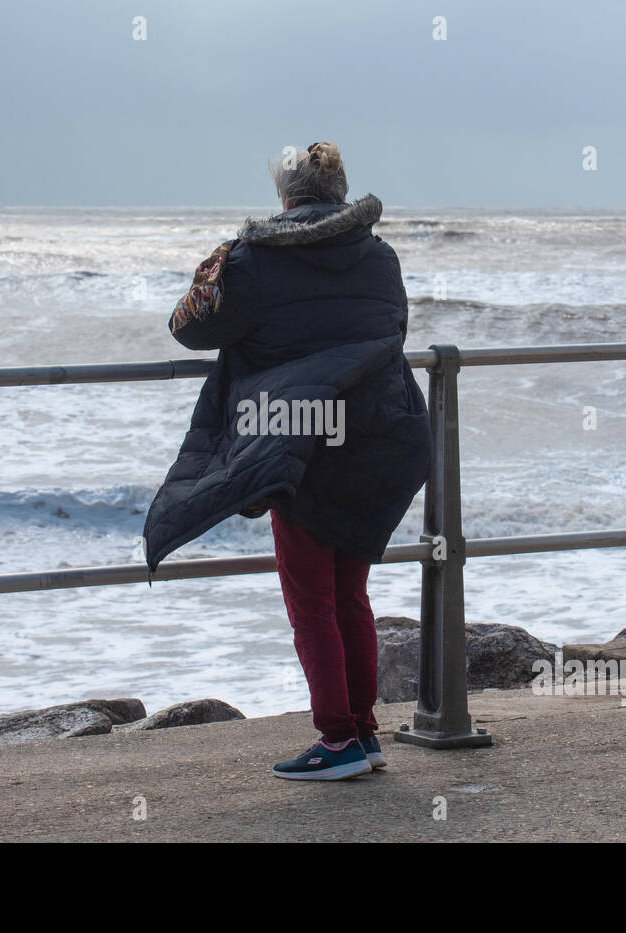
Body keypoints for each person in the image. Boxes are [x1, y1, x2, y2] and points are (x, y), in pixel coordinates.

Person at [143, 141, 431, 780]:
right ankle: (362, 733)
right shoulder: (380, 257)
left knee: (310, 598)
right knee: (350, 592)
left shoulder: (254, 259)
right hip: (379, 434)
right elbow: (388, 330)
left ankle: (337, 741)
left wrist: (218, 262)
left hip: (298, 436)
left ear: (285, 195)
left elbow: (189, 328)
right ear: (339, 192)